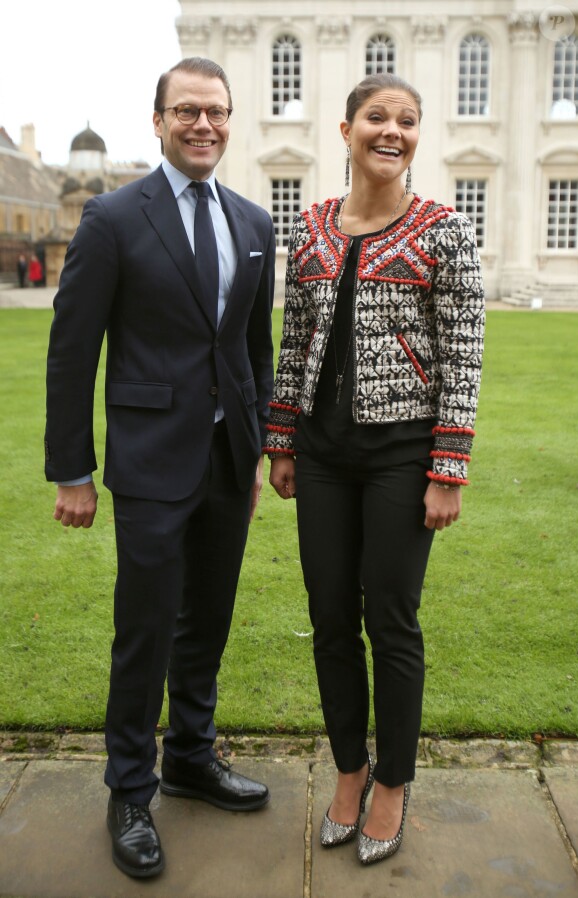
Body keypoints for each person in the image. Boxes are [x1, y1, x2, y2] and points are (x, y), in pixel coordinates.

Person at [45, 56, 276, 879]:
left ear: (229, 117)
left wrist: (260, 450)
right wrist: (73, 469)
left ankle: (190, 755)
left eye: (215, 111)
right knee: (145, 628)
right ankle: (130, 789)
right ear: (158, 121)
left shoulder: (253, 223)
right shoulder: (112, 218)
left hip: (227, 458)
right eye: (186, 111)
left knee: (207, 619)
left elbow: (254, 350)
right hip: (147, 460)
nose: (203, 124)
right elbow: (73, 351)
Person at [266, 72, 485, 866]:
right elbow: (294, 342)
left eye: (407, 121)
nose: (392, 132)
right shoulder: (315, 226)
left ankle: (393, 780)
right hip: (322, 455)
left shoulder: (443, 230)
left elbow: (464, 352)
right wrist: (282, 440)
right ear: (346, 129)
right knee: (329, 618)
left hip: (403, 453)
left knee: (389, 619)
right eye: (377, 118)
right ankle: (350, 771)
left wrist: (447, 467)